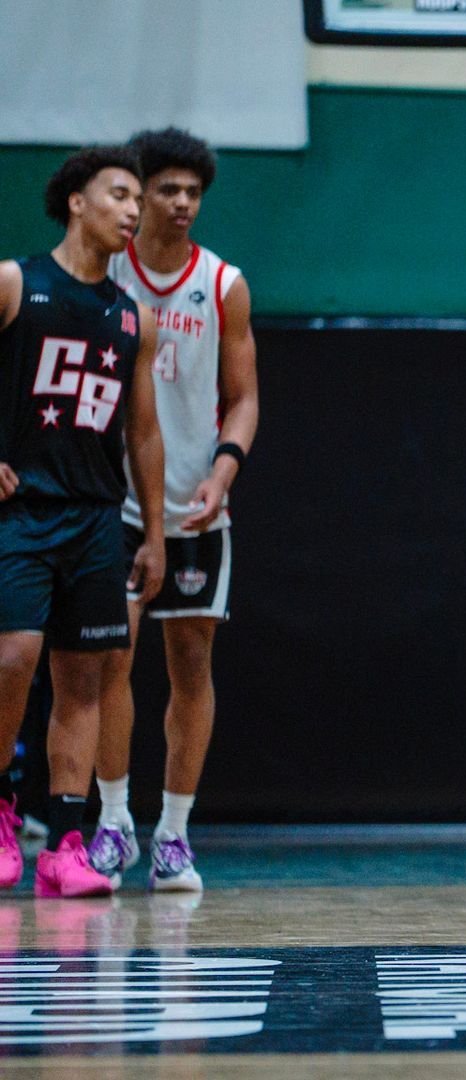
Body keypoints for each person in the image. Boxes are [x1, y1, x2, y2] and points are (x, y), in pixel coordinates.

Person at [89, 128, 261, 893]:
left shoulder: (223, 282)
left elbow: (246, 396)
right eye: (168, 189)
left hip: (195, 506)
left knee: (190, 666)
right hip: (114, 502)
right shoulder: (105, 273)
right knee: (107, 662)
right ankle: (113, 820)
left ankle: (175, 835)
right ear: (140, 192)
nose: (182, 203)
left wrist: (226, 469)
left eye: (194, 192)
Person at [0, 145, 166, 897]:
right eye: (121, 194)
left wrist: (155, 532)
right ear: (76, 200)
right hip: (22, 510)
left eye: (139, 199)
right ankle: (4, 812)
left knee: (85, 681)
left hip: (98, 518)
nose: (135, 210)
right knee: (14, 659)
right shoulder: (16, 282)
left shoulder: (133, 318)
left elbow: (143, 434)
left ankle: (67, 844)